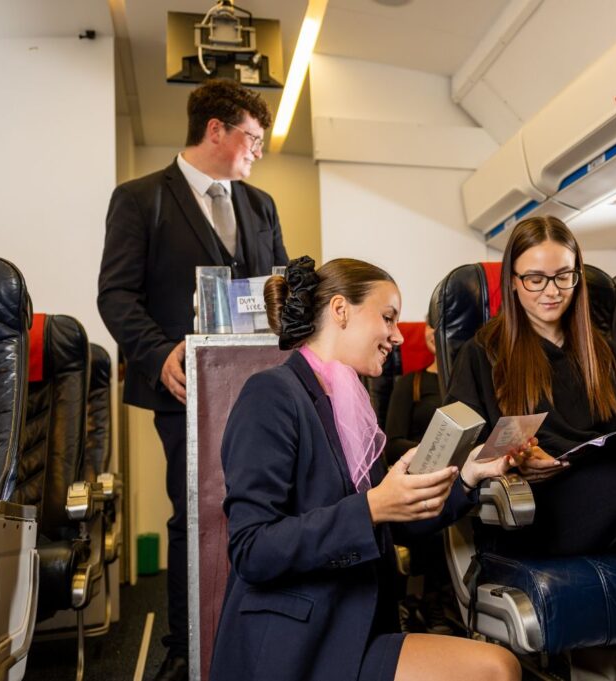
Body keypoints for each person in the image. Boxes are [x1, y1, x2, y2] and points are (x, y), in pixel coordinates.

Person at [209, 257, 522, 681]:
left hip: (355, 625)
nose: (396, 335)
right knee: (495, 669)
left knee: (498, 667)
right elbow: (253, 549)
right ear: (340, 310)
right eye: (388, 317)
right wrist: (372, 506)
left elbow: (395, 523)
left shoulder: (352, 403)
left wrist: (468, 475)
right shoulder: (271, 395)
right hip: (296, 641)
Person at [445, 216, 616, 681]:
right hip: (537, 512)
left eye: (564, 275)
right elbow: (458, 452)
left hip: (611, 503)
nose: (551, 290)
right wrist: (511, 460)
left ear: (578, 276)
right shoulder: (484, 352)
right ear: (514, 282)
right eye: (535, 278)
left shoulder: (602, 353)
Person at [97, 79, 288, 681]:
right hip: (186, 388)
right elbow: (116, 294)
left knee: (263, 509)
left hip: (259, 389)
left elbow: (282, 290)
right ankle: (187, 647)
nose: (258, 152)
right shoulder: (141, 198)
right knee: (196, 513)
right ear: (216, 131)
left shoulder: (261, 207)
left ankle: (258, 632)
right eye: (252, 139)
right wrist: (159, 354)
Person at [383, 308, 454, 634]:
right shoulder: (410, 383)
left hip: (460, 474)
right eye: (431, 324)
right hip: (420, 475)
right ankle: (432, 603)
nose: (435, 331)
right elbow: (392, 441)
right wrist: (430, 453)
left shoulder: (465, 385)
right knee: (433, 520)